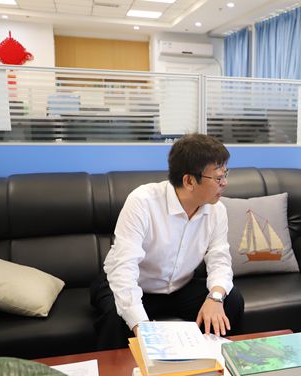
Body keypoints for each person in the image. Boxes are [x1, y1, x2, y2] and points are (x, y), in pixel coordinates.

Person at [90, 134, 244, 350]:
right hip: (131, 283)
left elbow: (220, 259)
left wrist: (215, 297)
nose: (225, 183)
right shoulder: (143, 202)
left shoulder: (217, 210)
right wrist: (141, 327)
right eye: (218, 178)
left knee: (231, 300)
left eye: (225, 174)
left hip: (179, 287)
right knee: (116, 316)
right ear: (189, 181)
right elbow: (124, 269)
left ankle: (214, 361)